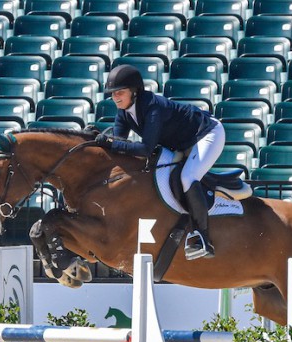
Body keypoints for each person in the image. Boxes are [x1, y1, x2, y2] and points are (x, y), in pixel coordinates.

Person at [95, 64, 226, 260]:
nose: (115, 98)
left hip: (206, 134)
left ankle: (202, 238)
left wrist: (111, 144)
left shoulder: (153, 107)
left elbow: (145, 149)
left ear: (134, 91)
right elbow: (119, 145)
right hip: (179, 143)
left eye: (120, 93)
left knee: (188, 177)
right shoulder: (123, 112)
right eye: (113, 94)